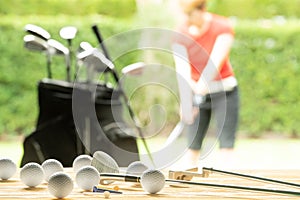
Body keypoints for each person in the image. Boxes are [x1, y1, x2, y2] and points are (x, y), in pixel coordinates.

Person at [172, 0, 239, 169]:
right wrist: (186, 100)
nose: (186, 19)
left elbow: (214, 64)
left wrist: (199, 89)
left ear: (202, 9)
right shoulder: (180, 33)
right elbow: (182, 69)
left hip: (225, 92)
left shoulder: (222, 27)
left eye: (189, 14)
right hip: (197, 93)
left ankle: (226, 188)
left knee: (226, 146)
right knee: (192, 147)